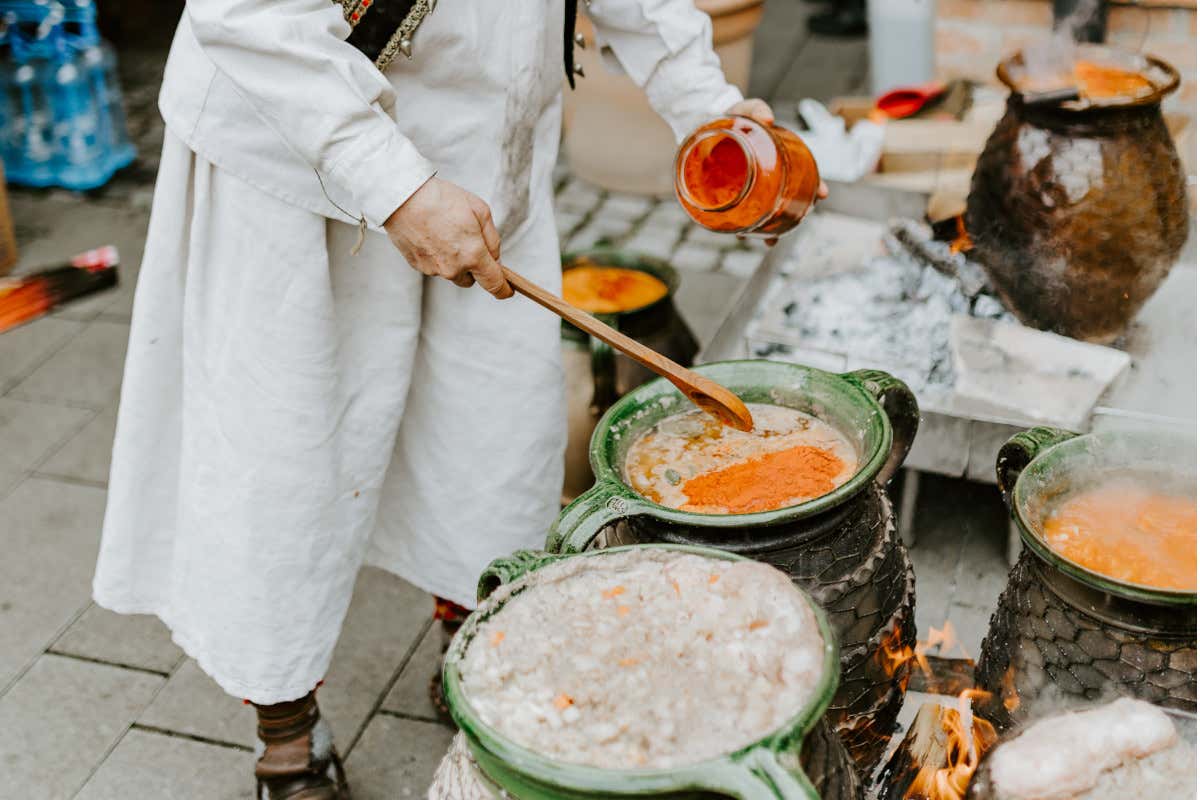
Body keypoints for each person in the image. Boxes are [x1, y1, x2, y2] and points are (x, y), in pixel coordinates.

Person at [91, 0, 786, 796]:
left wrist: (708, 107)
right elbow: (250, 14)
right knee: (286, 459)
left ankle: (472, 636)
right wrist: (397, 187)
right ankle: (286, 728)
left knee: (490, 426)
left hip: (482, 148)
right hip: (296, 150)